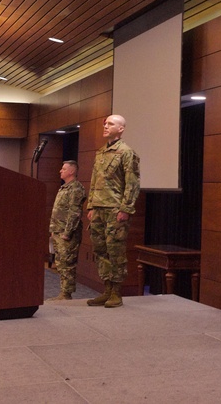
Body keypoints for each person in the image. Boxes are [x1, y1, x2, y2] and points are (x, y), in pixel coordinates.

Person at [86, 114, 141, 308]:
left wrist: (126, 209)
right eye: (105, 123)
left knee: (115, 250)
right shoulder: (101, 152)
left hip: (115, 209)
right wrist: (91, 206)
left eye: (110, 124)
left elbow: (132, 184)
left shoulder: (126, 152)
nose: (105, 126)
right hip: (99, 209)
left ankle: (116, 292)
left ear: (121, 129)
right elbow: (94, 181)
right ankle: (107, 290)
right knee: (100, 250)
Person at [48, 159, 87, 301]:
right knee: (61, 263)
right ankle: (63, 292)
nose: (60, 171)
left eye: (63, 169)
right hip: (58, 231)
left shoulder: (76, 188)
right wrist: (54, 230)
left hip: (67, 233)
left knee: (67, 264)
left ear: (71, 171)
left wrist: (67, 232)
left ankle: (66, 294)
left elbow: (74, 212)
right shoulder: (64, 187)